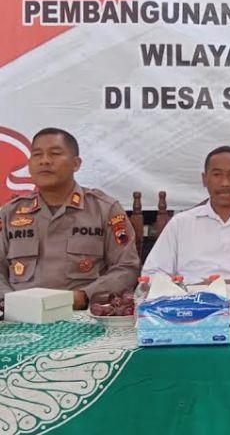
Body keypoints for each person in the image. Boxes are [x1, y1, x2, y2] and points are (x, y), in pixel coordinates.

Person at [0, 128, 139, 309]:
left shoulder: (104, 209)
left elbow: (127, 267)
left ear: (76, 163)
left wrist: (85, 296)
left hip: (83, 314)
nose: (44, 161)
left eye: (55, 154)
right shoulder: (10, 213)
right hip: (18, 315)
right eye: (37, 155)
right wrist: (9, 302)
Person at [142, 146, 230, 299]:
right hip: (189, 305)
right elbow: (152, 274)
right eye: (217, 174)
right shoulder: (181, 223)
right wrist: (188, 290)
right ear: (205, 179)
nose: (225, 183)